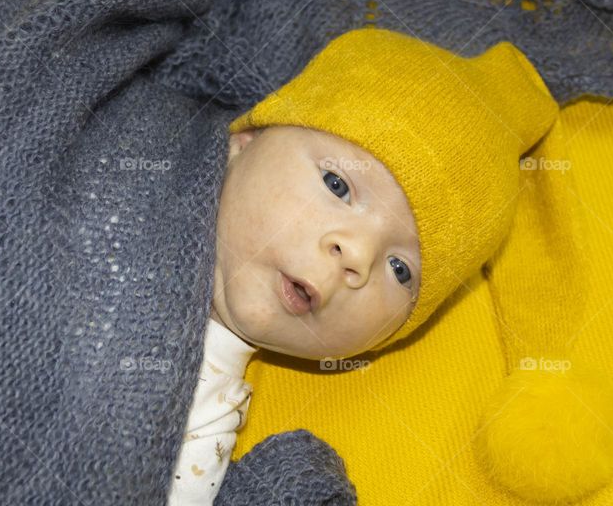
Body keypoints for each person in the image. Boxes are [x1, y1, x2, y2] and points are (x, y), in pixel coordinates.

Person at [167, 26, 567, 504]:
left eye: (401, 270)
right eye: (338, 185)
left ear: (392, 335)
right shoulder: (128, 151)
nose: (357, 255)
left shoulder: (204, 426)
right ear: (247, 140)